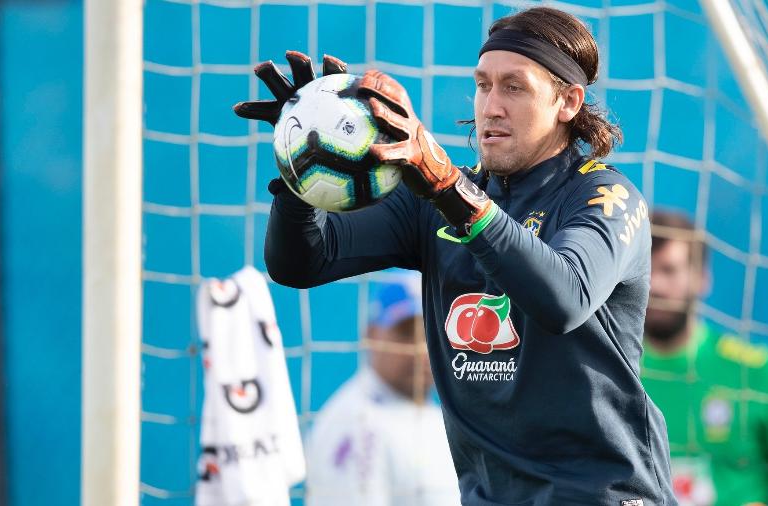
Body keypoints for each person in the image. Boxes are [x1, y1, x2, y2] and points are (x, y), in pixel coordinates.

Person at [235, 7, 676, 504]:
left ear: (568, 101)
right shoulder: (434, 203)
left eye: (515, 87)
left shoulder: (604, 197)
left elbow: (564, 298)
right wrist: (305, 164)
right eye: (483, 85)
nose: (491, 105)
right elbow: (302, 262)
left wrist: (450, 191)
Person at [641, 210, 768, 506]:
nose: (655, 286)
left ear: (701, 278)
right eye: (645, 271)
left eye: (669, 270)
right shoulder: (605, 374)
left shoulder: (757, 373)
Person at [306, 275, 460, 506]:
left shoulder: (436, 412)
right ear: (372, 334)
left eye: (432, 333)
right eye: (406, 333)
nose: (421, 350)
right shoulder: (356, 423)